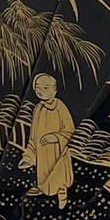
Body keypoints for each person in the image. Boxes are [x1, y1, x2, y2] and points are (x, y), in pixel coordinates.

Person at [24, 73, 74, 208]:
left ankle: (63, 203)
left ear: (54, 90)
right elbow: (33, 135)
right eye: (37, 87)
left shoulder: (60, 107)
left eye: (45, 87)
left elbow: (70, 131)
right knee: (43, 174)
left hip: (58, 150)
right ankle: (43, 191)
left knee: (59, 176)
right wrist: (29, 155)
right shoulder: (38, 108)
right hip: (42, 151)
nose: (40, 91)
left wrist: (56, 137)